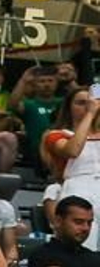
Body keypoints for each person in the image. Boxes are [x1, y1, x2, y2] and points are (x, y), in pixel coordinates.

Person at [56, 89, 100, 249]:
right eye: (81, 103)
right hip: (78, 187)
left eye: (91, 102)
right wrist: (90, 114)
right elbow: (72, 151)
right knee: (83, 243)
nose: (89, 106)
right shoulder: (56, 134)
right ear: (69, 108)